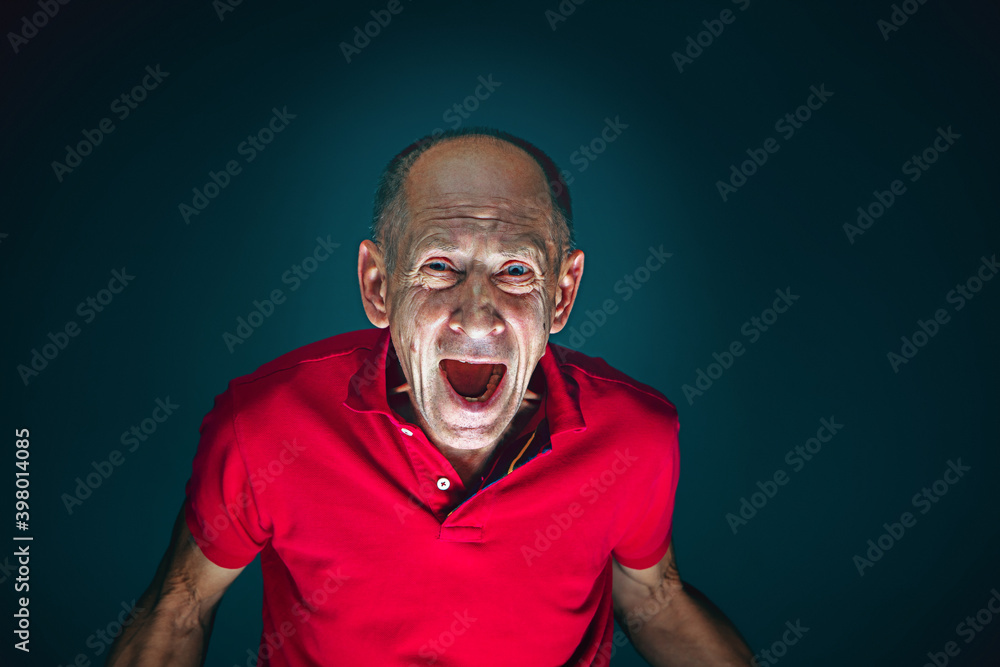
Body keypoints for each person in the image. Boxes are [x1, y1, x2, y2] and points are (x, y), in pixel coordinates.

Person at [107, 127, 753, 666]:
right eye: (440, 265)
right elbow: (182, 602)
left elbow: (654, 597)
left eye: (516, 270)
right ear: (378, 285)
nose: (478, 317)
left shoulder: (635, 437)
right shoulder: (266, 427)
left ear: (562, 293)